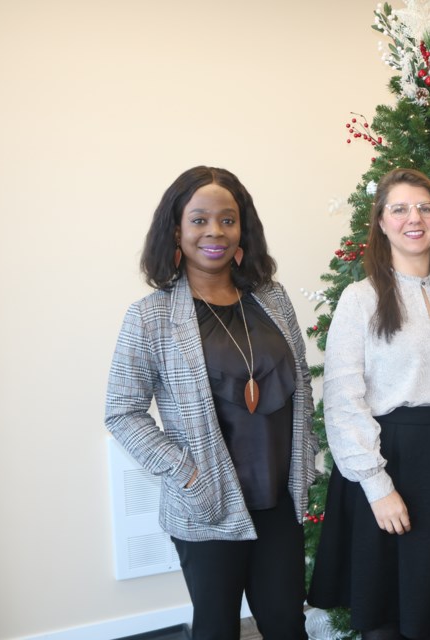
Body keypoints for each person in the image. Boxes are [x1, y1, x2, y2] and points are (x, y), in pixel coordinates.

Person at [105, 166, 316, 640]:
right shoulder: (151, 316)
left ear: (244, 229)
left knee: (287, 625)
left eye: (228, 219)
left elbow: (298, 379)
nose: (214, 232)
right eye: (199, 220)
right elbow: (122, 410)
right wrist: (187, 472)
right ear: (176, 229)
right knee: (218, 629)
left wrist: (310, 453)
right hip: (208, 504)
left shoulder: (273, 300)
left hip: (280, 499)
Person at [308, 168, 430, 640]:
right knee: (387, 615)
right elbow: (342, 398)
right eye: (400, 208)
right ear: (380, 222)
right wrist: (376, 485)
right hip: (390, 465)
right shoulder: (361, 299)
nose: (414, 218)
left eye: (425, 207)